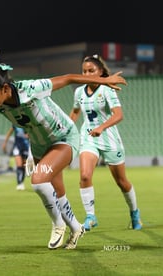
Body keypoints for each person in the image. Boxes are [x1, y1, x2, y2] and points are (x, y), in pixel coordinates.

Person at [0, 62, 127, 249]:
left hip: (64, 138)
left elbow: (67, 78)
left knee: (39, 181)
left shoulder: (31, 88)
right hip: (39, 146)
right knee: (57, 192)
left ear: (6, 88)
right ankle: (76, 228)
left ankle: (58, 224)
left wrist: (103, 81)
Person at [69, 54, 142, 231]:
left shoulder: (107, 90)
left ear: (100, 71)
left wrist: (102, 127)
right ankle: (91, 216)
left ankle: (134, 213)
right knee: (85, 175)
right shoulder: (79, 92)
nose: (87, 74)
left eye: (91, 70)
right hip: (88, 137)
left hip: (109, 139)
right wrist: (67, 128)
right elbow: (76, 112)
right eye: (84, 71)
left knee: (122, 181)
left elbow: (118, 115)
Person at [2, 125, 30, 190]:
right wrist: (5, 143)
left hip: (26, 147)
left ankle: (21, 182)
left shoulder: (27, 124)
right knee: (19, 164)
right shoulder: (15, 124)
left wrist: (29, 136)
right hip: (17, 147)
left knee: (23, 165)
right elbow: (9, 133)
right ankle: (19, 183)